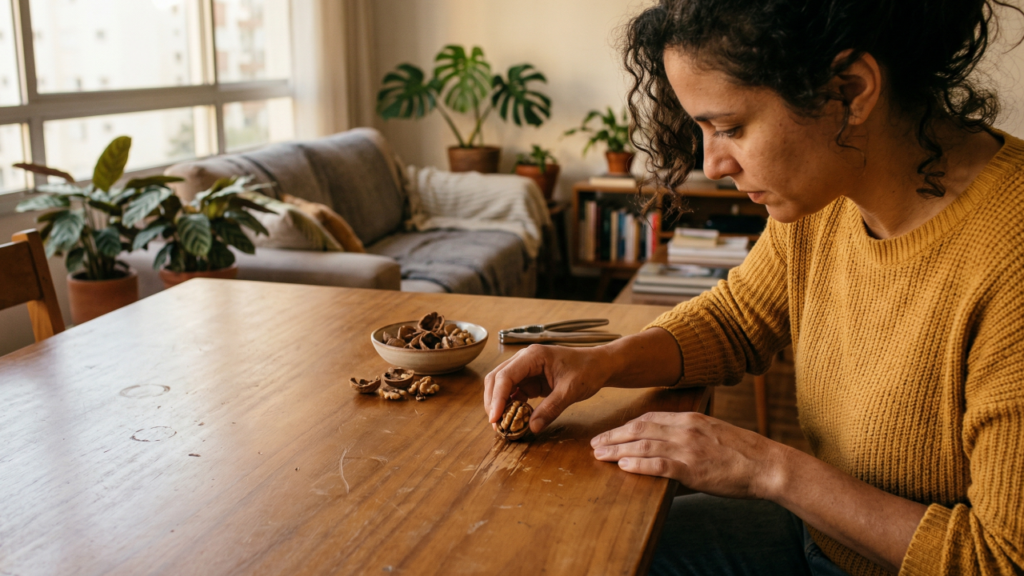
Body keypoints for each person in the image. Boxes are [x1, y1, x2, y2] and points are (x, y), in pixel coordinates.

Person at [483, 1, 1024, 574]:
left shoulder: (1008, 253)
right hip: (820, 535)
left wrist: (769, 470)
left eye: (731, 127)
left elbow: (1001, 560)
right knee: (570, 551)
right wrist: (602, 362)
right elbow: (738, 318)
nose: (712, 163)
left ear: (851, 91)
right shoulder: (830, 191)